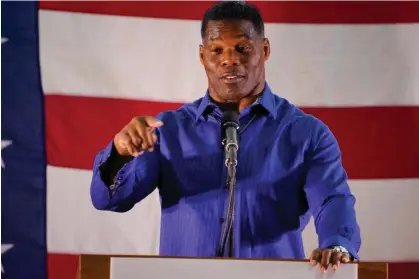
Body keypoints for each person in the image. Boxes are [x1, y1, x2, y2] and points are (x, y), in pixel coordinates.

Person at [90, 1, 361, 273]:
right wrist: (119, 154)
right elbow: (110, 200)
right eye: (217, 50)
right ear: (202, 56)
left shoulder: (307, 134)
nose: (229, 59)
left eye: (242, 48)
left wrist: (338, 246)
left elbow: (332, 200)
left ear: (264, 50)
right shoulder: (168, 129)